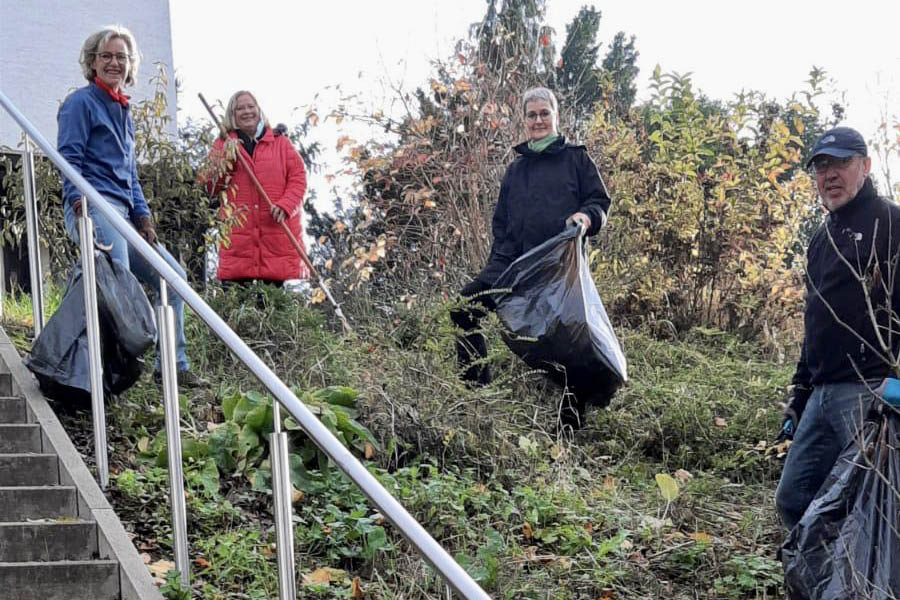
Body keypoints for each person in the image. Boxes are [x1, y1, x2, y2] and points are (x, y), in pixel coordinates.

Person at [450, 86, 612, 427]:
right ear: (523, 121)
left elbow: (599, 204)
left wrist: (585, 218)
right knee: (463, 312)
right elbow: (502, 227)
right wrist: (496, 271)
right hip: (513, 267)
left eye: (544, 113)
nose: (538, 120)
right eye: (531, 115)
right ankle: (476, 395)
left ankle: (571, 420)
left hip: (559, 269)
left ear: (556, 116)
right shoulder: (515, 172)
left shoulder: (577, 159)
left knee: (568, 344)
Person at [57, 25, 206, 388]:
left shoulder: (123, 111)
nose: (113, 62)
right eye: (106, 56)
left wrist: (143, 215)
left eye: (121, 57)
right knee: (117, 283)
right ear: (92, 62)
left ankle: (172, 366)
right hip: (94, 204)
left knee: (173, 278)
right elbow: (68, 158)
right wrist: (78, 200)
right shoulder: (81, 103)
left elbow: (131, 173)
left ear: (129, 65)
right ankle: (109, 371)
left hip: (123, 211)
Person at [775, 126, 900, 529]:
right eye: (821, 166)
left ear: (865, 165)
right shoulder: (821, 238)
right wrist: (800, 392)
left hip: (871, 392)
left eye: (841, 163)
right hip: (823, 394)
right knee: (793, 499)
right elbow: (817, 321)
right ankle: (816, 584)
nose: (829, 175)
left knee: (873, 510)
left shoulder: (891, 223)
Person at [204, 90, 308, 286]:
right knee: (236, 309)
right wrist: (227, 158)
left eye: (251, 106)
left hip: (274, 242)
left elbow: (298, 178)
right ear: (232, 115)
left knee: (272, 307)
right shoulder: (222, 144)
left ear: (259, 110)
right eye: (240, 108)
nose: (247, 112)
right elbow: (211, 186)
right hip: (238, 245)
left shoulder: (281, 144)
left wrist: (285, 205)